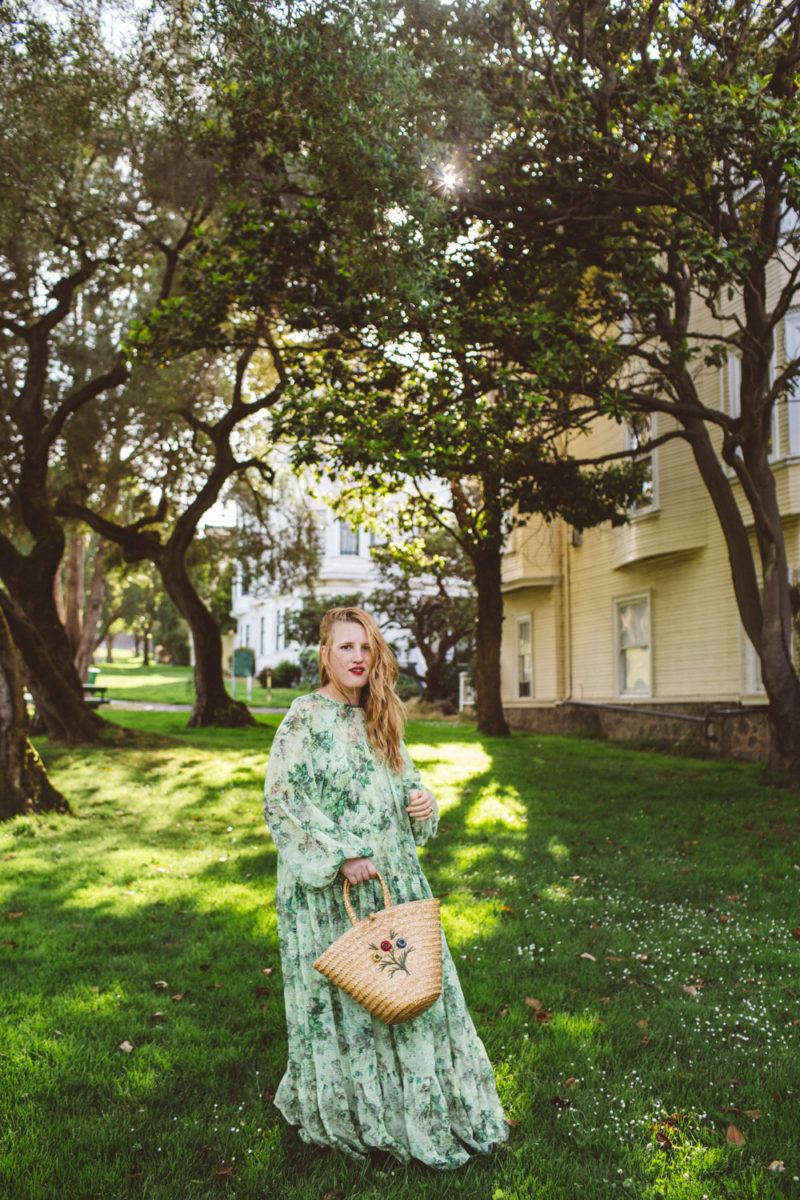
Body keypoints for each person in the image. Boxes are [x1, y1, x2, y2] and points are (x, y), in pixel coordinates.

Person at [262, 605, 511, 1170]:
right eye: (345, 646)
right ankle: (358, 1110)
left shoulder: (382, 714)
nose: (356, 657)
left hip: (394, 878)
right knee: (355, 999)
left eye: (365, 647)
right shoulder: (304, 717)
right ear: (325, 653)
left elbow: (407, 783)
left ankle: (423, 1106)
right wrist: (341, 854)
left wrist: (424, 803)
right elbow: (282, 800)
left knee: (414, 994)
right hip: (332, 885)